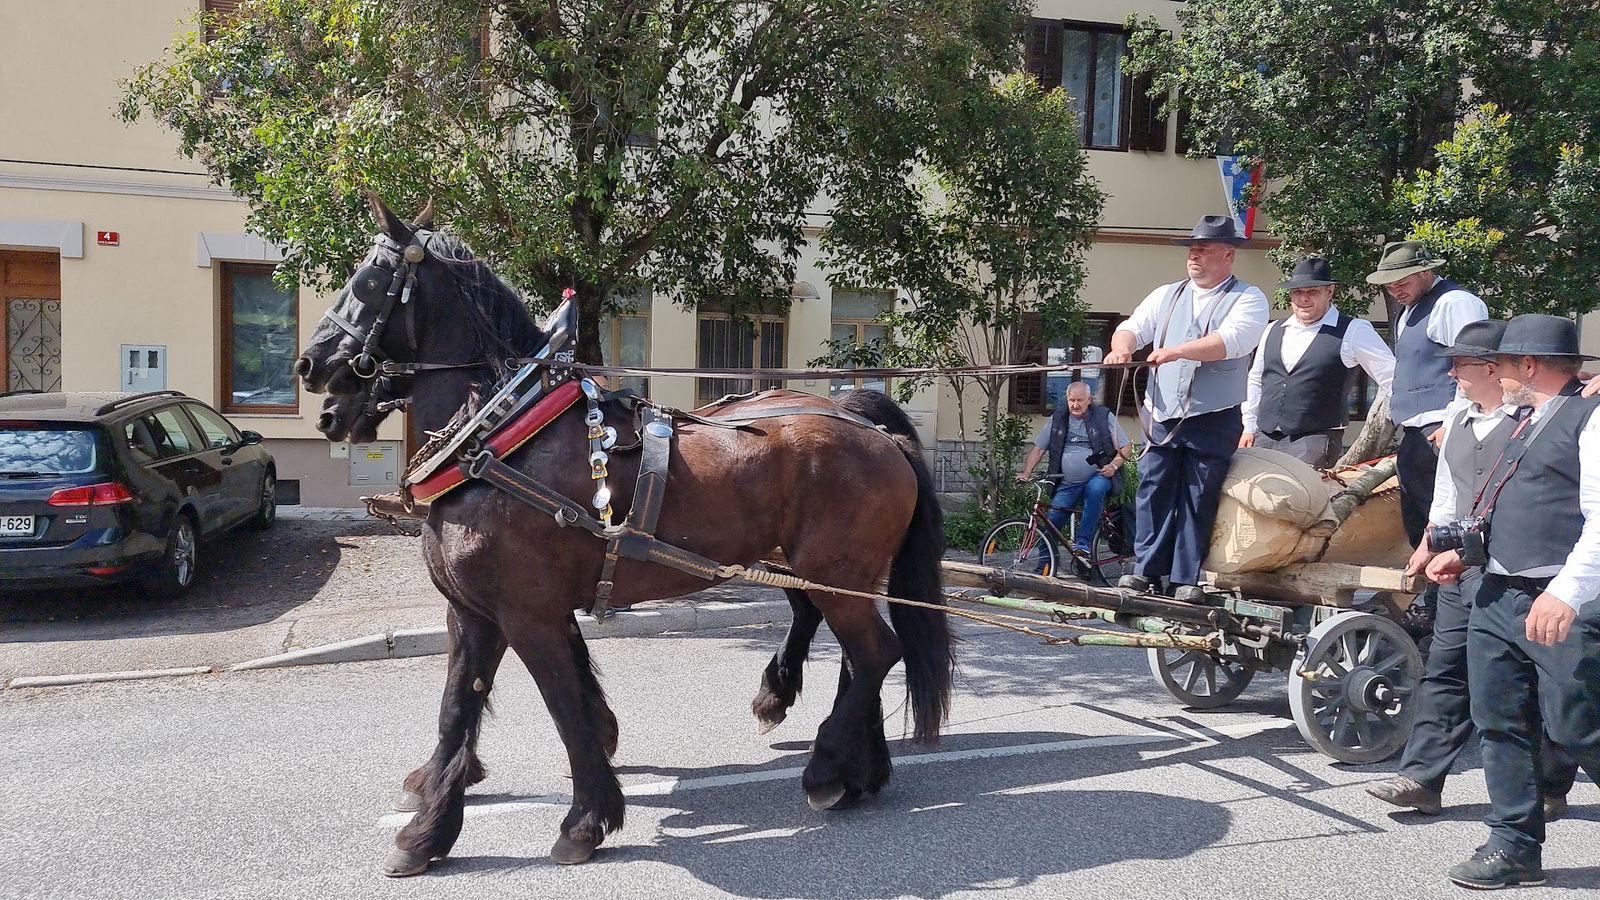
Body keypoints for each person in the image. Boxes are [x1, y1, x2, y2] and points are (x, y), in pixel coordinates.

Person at [1423, 314, 1600, 889]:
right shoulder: (1523, 420)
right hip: (1497, 593)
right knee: (1500, 721)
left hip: (1562, 600)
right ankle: (1513, 844)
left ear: (1528, 365)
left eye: (1497, 363)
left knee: (1579, 726)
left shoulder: (1589, 420)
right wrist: (1468, 554)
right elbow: (1502, 501)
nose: (1491, 373)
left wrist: (1566, 593)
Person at [1367, 320, 1515, 813]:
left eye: (1461, 364)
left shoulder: (1531, 422)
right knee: (1445, 670)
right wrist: (1430, 541)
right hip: (1461, 567)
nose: (1451, 373)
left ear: (1495, 368)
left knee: (1526, 682)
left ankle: (1551, 782)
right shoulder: (1457, 416)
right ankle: (1421, 779)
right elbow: (1449, 491)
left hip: (1513, 573)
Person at [1102, 215, 1269, 603]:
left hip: (1213, 415)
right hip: (1162, 414)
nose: (1194, 255)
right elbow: (1133, 325)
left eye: (1203, 249)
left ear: (1228, 254)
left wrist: (1177, 351)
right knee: (1153, 490)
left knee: (1198, 496)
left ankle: (1186, 578)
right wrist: (1122, 345)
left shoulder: (1248, 297)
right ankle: (1146, 571)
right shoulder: (1166, 295)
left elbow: (1234, 341)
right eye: (1191, 249)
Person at [1365, 241, 1488, 547]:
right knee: (1418, 521)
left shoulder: (1455, 303)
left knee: (1447, 521)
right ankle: (1431, 592)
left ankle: (1452, 593)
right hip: (1416, 432)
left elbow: (1473, 366)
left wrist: (1454, 423)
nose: (1396, 291)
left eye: (1402, 283)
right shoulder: (1408, 311)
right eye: (1390, 287)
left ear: (1426, 271)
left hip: (1442, 429)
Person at [1241, 255, 1395, 467]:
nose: (1304, 299)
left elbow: (1392, 378)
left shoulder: (1354, 330)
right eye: (1297, 292)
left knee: (1302, 498)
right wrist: (1248, 427)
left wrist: (1421, 422)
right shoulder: (1272, 329)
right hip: (1264, 436)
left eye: (1312, 291)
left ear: (1329, 291)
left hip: (1315, 440)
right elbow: (1257, 379)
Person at [1017, 380, 1132, 562]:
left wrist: (1113, 465)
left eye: (1080, 400)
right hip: (1068, 483)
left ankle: (1083, 545)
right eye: (1072, 400)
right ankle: (1044, 569)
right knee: (1050, 524)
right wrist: (1026, 473)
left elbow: (1126, 447)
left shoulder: (1103, 416)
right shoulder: (1058, 418)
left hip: (1098, 475)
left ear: (1089, 400)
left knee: (1094, 490)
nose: (1075, 405)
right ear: (1067, 399)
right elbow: (1039, 448)